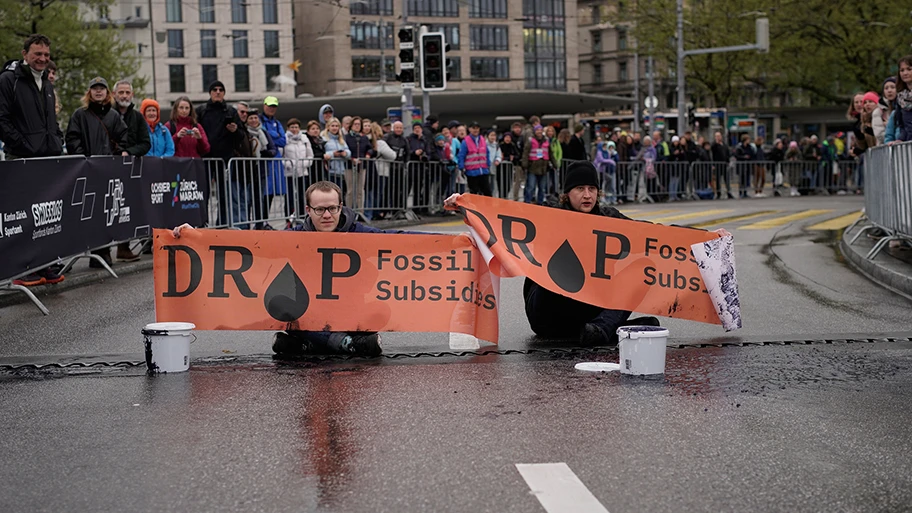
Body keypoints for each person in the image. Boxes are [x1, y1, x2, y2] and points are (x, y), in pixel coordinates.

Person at [444, 162, 730, 346]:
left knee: (642, 267)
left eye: (592, 188)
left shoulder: (610, 218)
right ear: (567, 194)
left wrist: (708, 237)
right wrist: (465, 208)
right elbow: (501, 222)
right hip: (547, 311)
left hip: (587, 313)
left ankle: (602, 330)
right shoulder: (550, 216)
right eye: (580, 188)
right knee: (566, 267)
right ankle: (612, 329)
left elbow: (656, 236)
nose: (587, 194)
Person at [171, 180, 433, 357]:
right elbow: (245, 244)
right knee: (291, 313)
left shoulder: (358, 231)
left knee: (381, 310)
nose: (327, 215)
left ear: (341, 206)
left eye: (332, 208)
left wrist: (452, 243)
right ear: (308, 210)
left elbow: (399, 239)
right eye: (320, 209)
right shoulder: (294, 236)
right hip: (308, 312)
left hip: (349, 308)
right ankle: (346, 345)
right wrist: (198, 237)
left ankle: (307, 344)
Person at [0, 34, 62, 159]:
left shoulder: (47, 84)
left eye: (47, 55)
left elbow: (51, 120)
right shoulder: (8, 80)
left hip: (50, 158)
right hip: (20, 159)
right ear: (24, 54)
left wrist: (58, 140)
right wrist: (22, 144)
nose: (43, 59)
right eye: (38, 54)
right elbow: (2, 120)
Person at [197, 80, 245, 225]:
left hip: (224, 160)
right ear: (210, 92)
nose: (218, 92)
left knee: (224, 195)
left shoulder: (231, 111)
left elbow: (242, 135)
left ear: (224, 93)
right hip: (205, 159)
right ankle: (202, 223)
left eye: (221, 90)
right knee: (202, 194)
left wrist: (235, 130)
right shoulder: (201, 110)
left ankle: (222, 224)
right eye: (215, 89)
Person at [283, 118, 313, 218]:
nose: (294, 129)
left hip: (302, 172)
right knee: (289, 197)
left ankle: (301, 216)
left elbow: (310, 155)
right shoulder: (284, 139)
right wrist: (289, 164)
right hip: (289, 173)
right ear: (288, 128)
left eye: (296, 127)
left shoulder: (304, 139)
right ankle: (288, 218)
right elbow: (281, 156)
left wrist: (303, 164)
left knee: (301, 196)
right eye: (292, 127)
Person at [456, 121, 492, 196]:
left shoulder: (482, 139)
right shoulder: (466, 141)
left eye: (477, 128)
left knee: (487, 193)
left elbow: (487, 153)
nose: (475, 130)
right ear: (469, 129)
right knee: (474, 193)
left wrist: (488, 164)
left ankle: (486, 207)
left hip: (483, 170)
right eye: (473, 128)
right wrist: (461, 167)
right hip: (472, 172)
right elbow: (461, 155)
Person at [344, 116, 370, 211]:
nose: (357, 126)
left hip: (362, 166)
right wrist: (352, 159)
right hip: (350, 166)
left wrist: (368, 154)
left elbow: (370, 148)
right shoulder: (346, 137)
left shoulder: (364, 138)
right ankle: (348, 211)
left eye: (359, 124)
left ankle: (360, 211)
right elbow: (344, 150)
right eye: (355, 124)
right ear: (351, 125)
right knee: (350, 190)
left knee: (360, 190)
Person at [522, 124, 550, 204]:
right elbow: (526, 153)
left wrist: (554, 164)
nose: (539, 132)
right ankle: (527, 202)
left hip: (543, 167)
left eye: (541, 130)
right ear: (535, 131)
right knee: (531, 187)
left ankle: (540, 203)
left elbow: (550, 153)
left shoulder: (546, 140)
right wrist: (525, 164)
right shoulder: (530, 140)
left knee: (542, 188)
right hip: (533, 167)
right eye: (537, 130)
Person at [322, 116, 350, 189]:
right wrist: (332, 154)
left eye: (337, 126)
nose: (335, 128)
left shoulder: (341, 140)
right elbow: (322, 153)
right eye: (332, 126)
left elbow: (348, 151)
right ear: (328, 127)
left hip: (340, 171)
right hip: (329, 171)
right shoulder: (323, 139)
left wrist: (345, 153)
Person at [485, 129, 503, 198]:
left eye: (494, 135)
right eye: (491, 135)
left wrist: (497, 160)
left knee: (492, 185)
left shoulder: (496, 146)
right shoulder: (484, 144)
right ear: (487, 136)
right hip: (484, 167)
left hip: (492, 167)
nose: (493, 137)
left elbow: (499, 155)